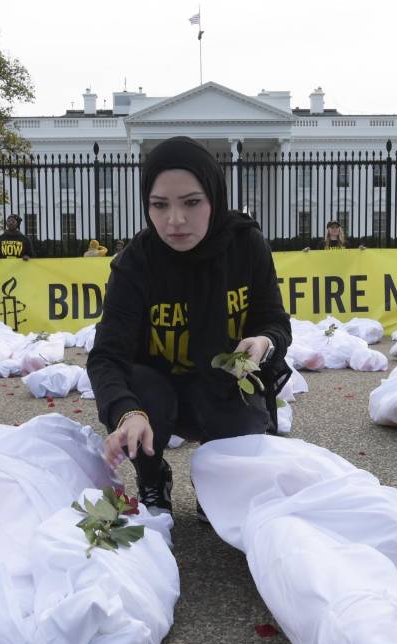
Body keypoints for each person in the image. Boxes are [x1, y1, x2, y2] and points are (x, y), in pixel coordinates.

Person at [86, 136, 292, 516]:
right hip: (157, 392)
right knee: (143, 391)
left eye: (192, 203)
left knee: (241, 408)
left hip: (221, 386)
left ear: (214, 199)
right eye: (159, 205)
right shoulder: (136, 264)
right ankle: (152, 476)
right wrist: (126, 413)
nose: (175, 220)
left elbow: (274, 321)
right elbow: (106, 356)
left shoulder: (246, 247)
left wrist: (263, 342)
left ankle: (214, 484)